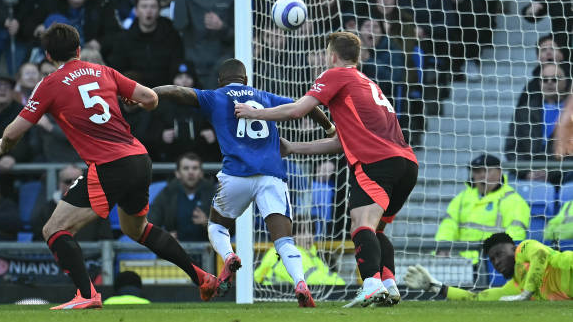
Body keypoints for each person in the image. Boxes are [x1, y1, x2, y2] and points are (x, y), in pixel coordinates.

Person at [0, 23, 219, 310]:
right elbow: (150, 98)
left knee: (54, 229)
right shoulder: (104, 71)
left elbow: (14, 133)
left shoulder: (49, 83)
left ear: (49, 56)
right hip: (139, 158)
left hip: (109, 164)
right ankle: (202, 277)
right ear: (78, 49)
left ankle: (87, 294)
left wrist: (3, 146)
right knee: (137, 229)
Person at [235, 31, 418, 308]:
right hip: (406, 164)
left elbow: (298, 110)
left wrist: (255, 112)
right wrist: (292, 148)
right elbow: (339, 143)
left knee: (361, 224)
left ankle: (370, 284)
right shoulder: (368, 84)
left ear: (332, 55)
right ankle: (389, 284)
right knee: (377, 229)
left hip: (375, 161)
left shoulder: (335, 75)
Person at [152, 58, 336, 307]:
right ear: (246, 80)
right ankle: (300, 283)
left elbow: (178, 91)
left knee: (217, 227)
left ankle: (228, 255)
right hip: (271, 175)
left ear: (220, 81)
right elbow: (303, 106)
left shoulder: (215, 96)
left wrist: (151, 93)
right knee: (283, 240)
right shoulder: (265, 96)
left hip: (236, 175)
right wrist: (328, 127)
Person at [405, 232, 573, 301]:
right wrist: (435, 286)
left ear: (513, 248)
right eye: (492, 259)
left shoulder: (524, 249)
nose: (496, 262)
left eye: (499, 254)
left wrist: (528, 292)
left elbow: (541, 255)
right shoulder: (513, 288)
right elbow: (475, 298)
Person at [435, 154, 530, 265]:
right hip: (461, 262)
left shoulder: (513, 200)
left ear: (499, 172)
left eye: (487, 171)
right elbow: (448, 225)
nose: (482, 176)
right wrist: (443, 245)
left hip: (493, 263)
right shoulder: (462, 198)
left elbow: (516, 234)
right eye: (477, 172)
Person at [173, 0, 234, 89]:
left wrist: (221, 27)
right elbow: (179, 24)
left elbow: (238, 36)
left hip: (220, 68)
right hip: (193, 68)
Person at [505, 62, 570, 183]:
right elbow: (511, 148)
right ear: (539, 83)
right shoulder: (524, 112)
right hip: (527, 173)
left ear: (566, 82)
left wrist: (550, 173)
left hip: (564, 174)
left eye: (555, 79)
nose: (549, 83)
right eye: (544, 80)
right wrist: (527, 172)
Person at [109, 0, 184, 88]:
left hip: (166, 91)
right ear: (136, 11)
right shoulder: (124, 39)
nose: (149, 11)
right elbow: (117, 69)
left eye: (153, 7)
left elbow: (176, 65)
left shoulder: (172, 36)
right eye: (144, 7)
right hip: (136, 93)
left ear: (159, 11)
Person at [254, 217, 345, 286]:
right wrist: (341, 284)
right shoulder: (283, 253)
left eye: (311, 232)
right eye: (302, 232)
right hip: (274, 297)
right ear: (292, 235)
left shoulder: (314, 258)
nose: (308, 236)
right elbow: (311, 280)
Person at [31, 165, 113, 241]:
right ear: (60, 184)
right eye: (68, 181)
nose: (74, 184)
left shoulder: (98, 210)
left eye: (79, 180)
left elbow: (106, 240)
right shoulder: (46, 210)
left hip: (92, 256)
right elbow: (39, 241)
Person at [148, 152, 215, 242]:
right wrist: (163, 236)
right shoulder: (168, 193)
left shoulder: (213, 194)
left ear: (201, 173)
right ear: (177, 173)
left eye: (195, 168)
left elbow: (231, 228)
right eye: (186, 168)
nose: (191, 172)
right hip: (174, 250)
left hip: (207, 252)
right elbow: (151, 222)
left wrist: (208, 223)